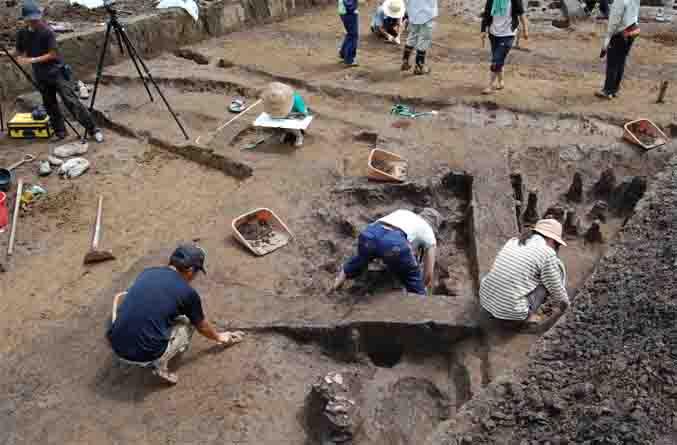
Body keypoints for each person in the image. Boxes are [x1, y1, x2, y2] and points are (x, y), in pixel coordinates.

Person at [107, 245, 245, 384]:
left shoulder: (147, 272)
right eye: (197, 271)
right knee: (189, 321)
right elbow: (202, 327)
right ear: (190, 270)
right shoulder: (187, 293)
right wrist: (220, 337)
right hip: (145, 354)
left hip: (115, 345)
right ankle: (160, 365)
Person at [12, 1, 104, 142]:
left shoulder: (47, 31)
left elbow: (53, 54)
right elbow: (19, 51)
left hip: (56, 72)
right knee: (49, 104)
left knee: (71, 101)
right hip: (41, 75)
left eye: (37, 18)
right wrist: (12, 55)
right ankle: (61, 132)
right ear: (26, 19)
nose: (35, 21)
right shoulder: (22, 34)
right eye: (32, 19)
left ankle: (93, 129)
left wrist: (32, 60)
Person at [479, 219, 570, 326]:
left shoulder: (514, 241)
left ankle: (503, 306)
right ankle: (527, 317)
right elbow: (556, 288)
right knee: (549, 279)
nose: (556, 248)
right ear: (551, 239)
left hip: (484, 299)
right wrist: (566, 305)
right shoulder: (547, 253)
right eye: (557, 244)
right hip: (511, 313)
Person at [332, 208, 442, 295]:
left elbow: (382, 234)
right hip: (393, 244)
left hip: (369, 234)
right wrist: (421, 288)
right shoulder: (429, 233)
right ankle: (420, 306)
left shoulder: (403, 212)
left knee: (360, 259)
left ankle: (336, 285)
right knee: (412, 276)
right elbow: (428, 274)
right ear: (434, 226)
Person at [480, 0, 528, 94]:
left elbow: (521, 15)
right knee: (498, 59)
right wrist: (483, 30)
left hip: (508, 34)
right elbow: (486, 15)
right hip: (493, 34)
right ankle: (501, 81)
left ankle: (490, 85)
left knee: (497, 59)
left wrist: (525, 30)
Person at [596, 0, 640, 99]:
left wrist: (606, 41)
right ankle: (614, 89)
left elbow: (613, 23)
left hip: (620, 33)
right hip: (632, 30)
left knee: (612, 63)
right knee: (621, 60)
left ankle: (608, 91)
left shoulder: (619, 2)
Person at [261, 82, 309, 148]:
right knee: (274, 119)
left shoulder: (296, 99)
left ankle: (299, 136)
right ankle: (285, 132)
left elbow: (305, 113)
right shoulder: (274, 99)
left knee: (289, 125)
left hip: (296, 115)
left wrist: (291, 114)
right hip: (283, 114)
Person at [401, 0, 438, 74]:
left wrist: (408, 11)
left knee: (412, 36)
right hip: (427, 14)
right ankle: (419, 67)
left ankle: (405, 61)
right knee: (424, 39)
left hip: (413, 12)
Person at [338, 0, 359, 66]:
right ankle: (349, 60)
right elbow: (349, 4)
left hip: (344, 11)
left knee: (350, 34)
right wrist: (352, 9)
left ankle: (343, 53)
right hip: (348, 13)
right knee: (353, 35)